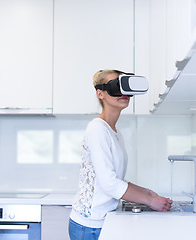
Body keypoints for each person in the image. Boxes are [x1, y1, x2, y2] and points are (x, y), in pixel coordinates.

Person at [68, 70, 173, 240]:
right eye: (115, 87)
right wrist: (150, 201)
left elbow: (115, 178)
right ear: (100, 93)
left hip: (101, 220)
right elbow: (109, 184)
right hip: (89, 225)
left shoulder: (114, 132)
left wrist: (147, 193)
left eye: (124, 86)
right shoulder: (97, 129)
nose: (123, 93)